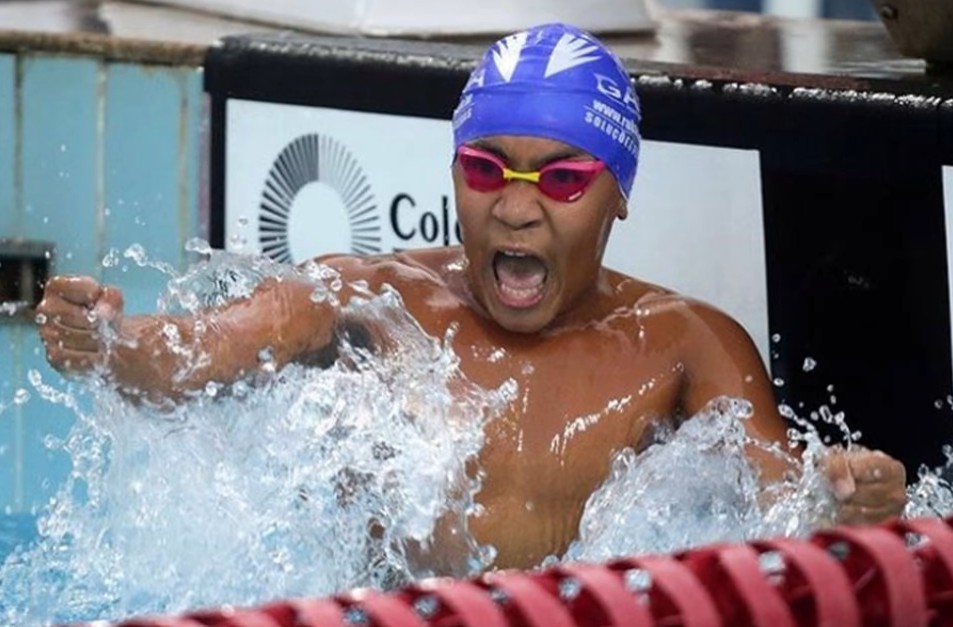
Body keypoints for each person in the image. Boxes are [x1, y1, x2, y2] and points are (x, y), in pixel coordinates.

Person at [36, 23, 906, 571]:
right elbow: (186, 357)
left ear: (617, 193)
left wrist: (844, 506)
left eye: (561, 179)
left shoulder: (684, 344)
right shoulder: (369, 301)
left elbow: (783, 522)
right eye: (487, 170)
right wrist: (110, 341)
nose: (516, 209)